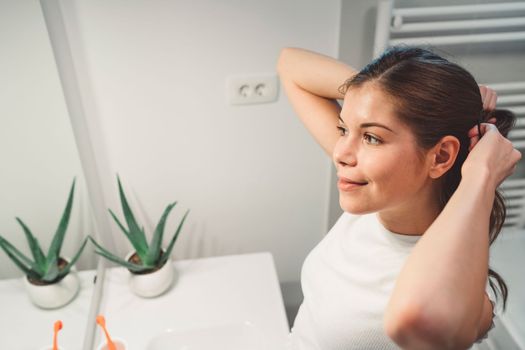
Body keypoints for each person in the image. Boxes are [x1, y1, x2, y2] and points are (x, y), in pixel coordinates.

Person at [277, 46, 522, 350]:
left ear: (441, 156)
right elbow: (290, 64)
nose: (341, 153)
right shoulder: (375, 190)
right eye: (343, 129)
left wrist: (481, 175)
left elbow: (415, 319)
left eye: (371, 137)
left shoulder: (461, 293)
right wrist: (379, 92)